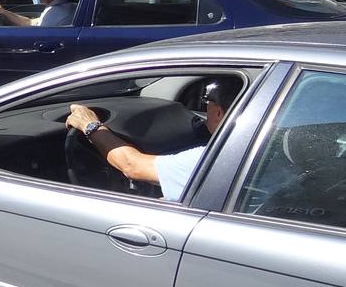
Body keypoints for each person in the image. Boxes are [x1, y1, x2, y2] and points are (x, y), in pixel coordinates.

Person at [65, 77, 242, 202]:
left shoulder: (216, 161)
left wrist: (89, 125)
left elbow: (131, 165)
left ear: (218, 112)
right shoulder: (260, 151)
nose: (206, 105)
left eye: (207, 100)